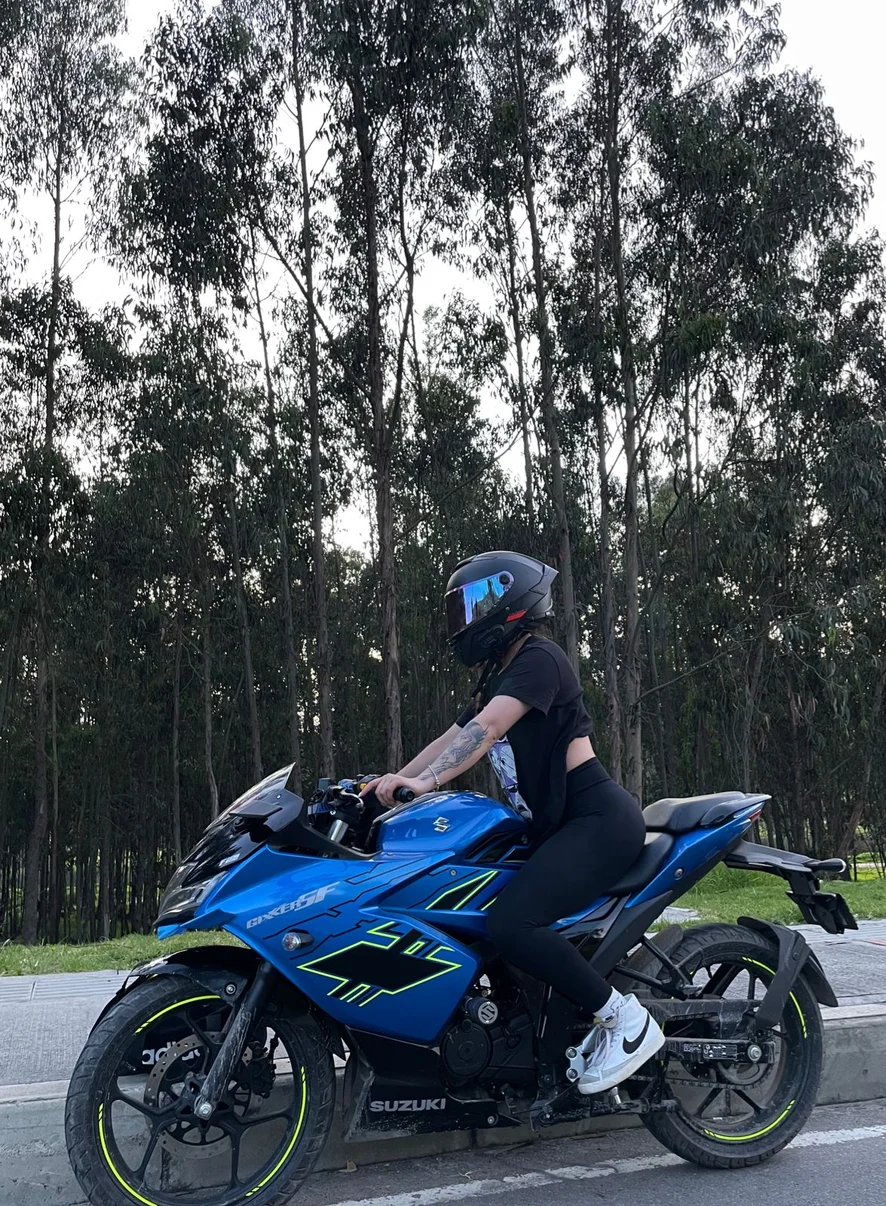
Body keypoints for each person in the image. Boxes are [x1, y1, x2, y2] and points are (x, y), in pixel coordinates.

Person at [363, 550, 665, 1095]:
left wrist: (428, 783)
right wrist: (390, 783)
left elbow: (488, 728)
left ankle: (625, 1020)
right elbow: (454, 737)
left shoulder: (541, 659)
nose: (465, 621)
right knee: (471, 906)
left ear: (508, 602)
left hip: (596, 821)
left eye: (472, 606)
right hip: (555, 828)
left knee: (512, 923)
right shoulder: (500, 676)